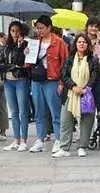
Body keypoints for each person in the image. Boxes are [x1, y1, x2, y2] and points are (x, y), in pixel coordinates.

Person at [24, 16, 69, 153]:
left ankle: (59, 140)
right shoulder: (34, 42)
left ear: (49, 27)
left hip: (53, 80)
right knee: (39, 112)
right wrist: (26, 53)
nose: (39, 31)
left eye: (42, 28)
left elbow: (65, 64)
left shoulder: (59, 43)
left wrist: (62, 82)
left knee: (55, 112)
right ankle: (40, 139)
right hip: (37, 80)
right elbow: (28, 64)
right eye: (37, 28)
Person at [55, 33, 100, 158]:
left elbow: (95, 76)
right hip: (70, 94)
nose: (82, 44)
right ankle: (64, 148)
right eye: (79, 42)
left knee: (87, 121)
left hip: (87, 94)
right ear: (75, 44)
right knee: (65, 120)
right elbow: (64, 75)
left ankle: (82, 146)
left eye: (84, 42)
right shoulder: (69, 59)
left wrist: (86, 89)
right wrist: (73, 87)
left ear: (88, 45)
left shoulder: (93, 60)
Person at [0, 21, 31, 151]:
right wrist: (14, 66)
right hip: (8, 81)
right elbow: (0, 64)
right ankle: (16, 139)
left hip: (21, 80)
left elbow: (21, 62)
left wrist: (19, 48)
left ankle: (24, 140)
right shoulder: (5, 46)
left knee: (23, 111)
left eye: (17, 31)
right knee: (14, 111)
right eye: (12, 31)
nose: (15, 33)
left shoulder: (25, 45)